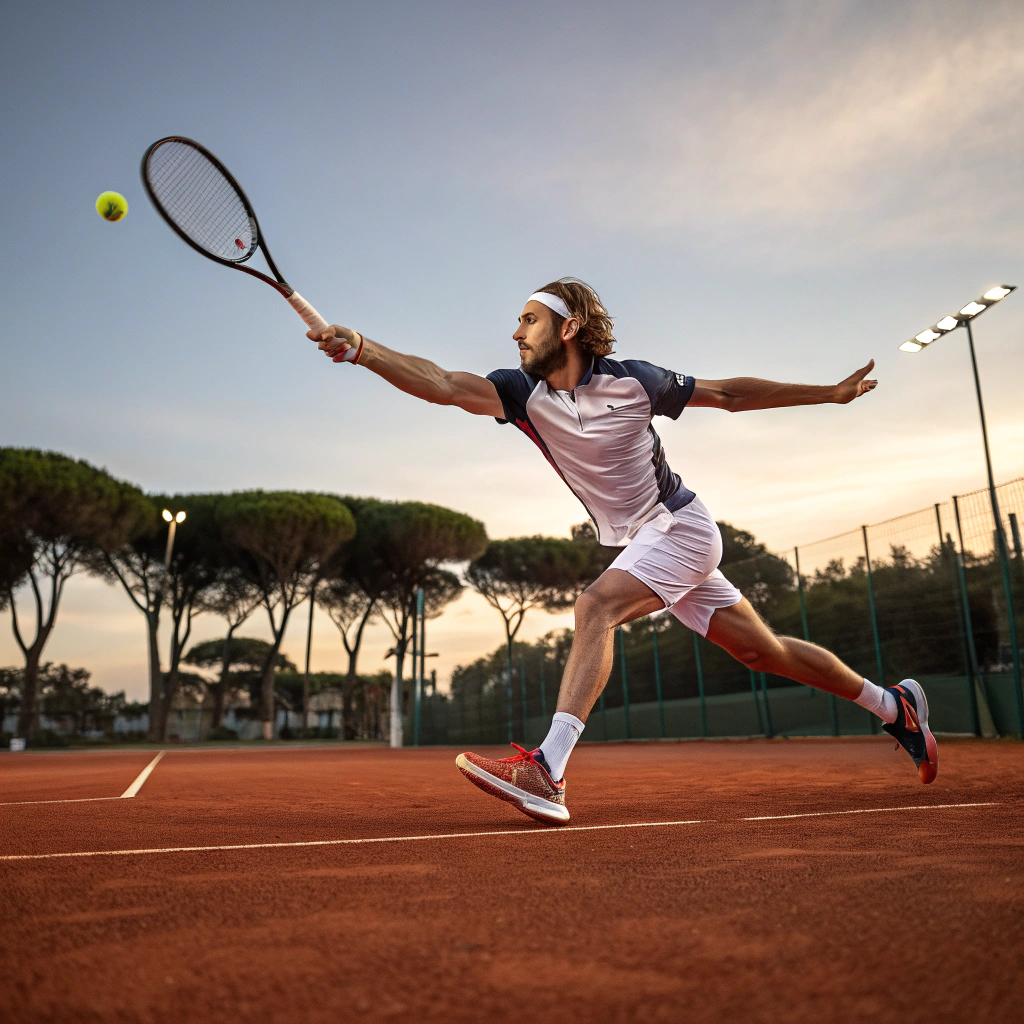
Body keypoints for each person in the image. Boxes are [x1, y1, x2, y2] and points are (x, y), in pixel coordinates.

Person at [309, 278, 938, 824]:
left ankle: (547, 770)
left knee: (595, 608)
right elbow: (442, 383)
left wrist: (826, 393)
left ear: (570, 326)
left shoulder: (635, 383)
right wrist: (362, 350)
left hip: (681, 527)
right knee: (761, 652)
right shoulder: (521, 394)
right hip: (648, 542)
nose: (516, 334)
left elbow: (729, 393)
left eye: (528, 320)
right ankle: (893, 705)